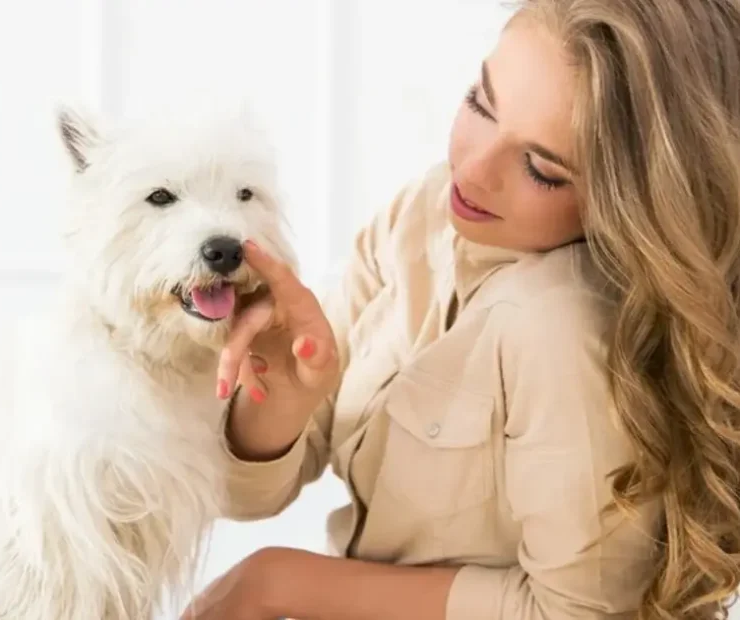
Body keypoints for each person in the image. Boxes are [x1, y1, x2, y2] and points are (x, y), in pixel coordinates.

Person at [182, 1, 740, 618]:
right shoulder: (425, 215)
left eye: (540, 168)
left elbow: (582, 615)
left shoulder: (562, 330)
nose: (472, 170)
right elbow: (246, 493)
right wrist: (283, 396)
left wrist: (281, 580)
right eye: (481, 102)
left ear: (632, 200)